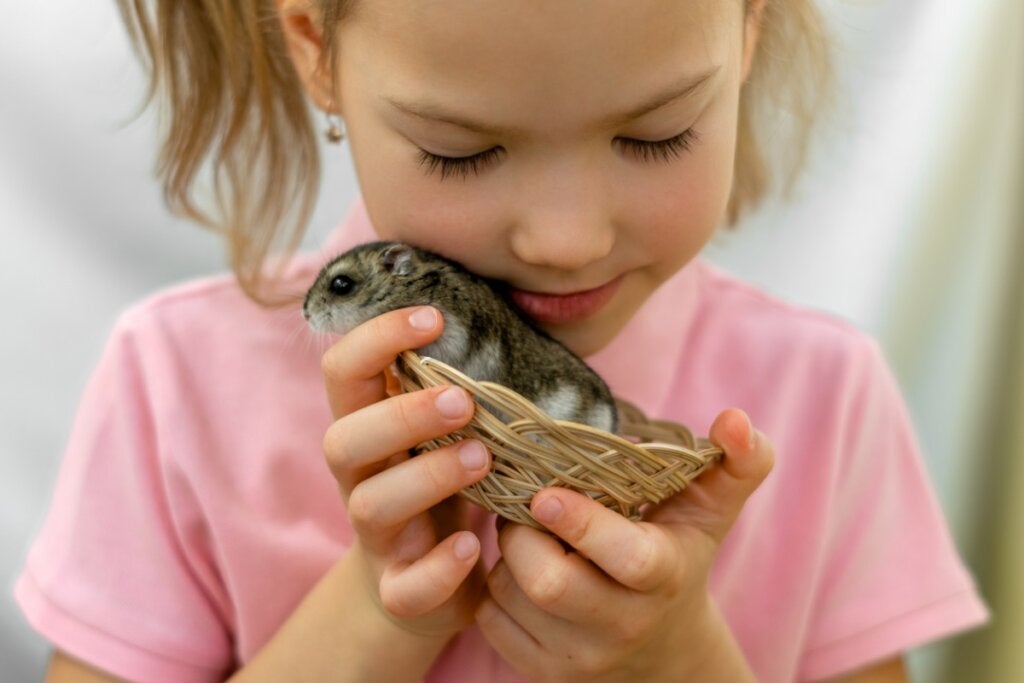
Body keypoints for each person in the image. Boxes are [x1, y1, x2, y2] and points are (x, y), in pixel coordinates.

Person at [16, 1, 987, 681]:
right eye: (461, 149)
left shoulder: (827, 394)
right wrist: (377, 613)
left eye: (655, 134)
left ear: (748, 27)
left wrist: (673, 658)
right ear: (314, 44)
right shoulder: (171, 380)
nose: (565, 242)